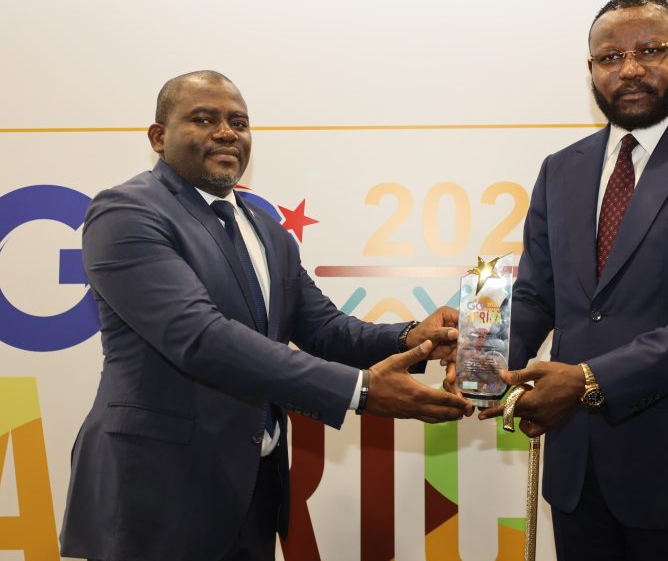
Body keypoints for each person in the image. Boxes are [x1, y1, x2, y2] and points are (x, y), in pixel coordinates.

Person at [60, 70, 472, 561]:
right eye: (203, 119)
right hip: (154, 494)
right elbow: (200, 338)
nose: (226, 132)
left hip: (252, 492)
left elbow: (324, 329)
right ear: (158, 137)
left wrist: (412, 338)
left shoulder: (266, 229)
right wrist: (358, 391)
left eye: (239, 122)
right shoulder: (126, 212)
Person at [476, 0, 668, 560]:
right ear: (591, 69)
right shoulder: (560, 169)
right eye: (610, 57)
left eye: (650, 50)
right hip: (577, 471)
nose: (631, 69)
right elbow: (538, 295)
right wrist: (482, 366)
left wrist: (588, 379)